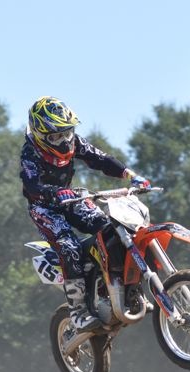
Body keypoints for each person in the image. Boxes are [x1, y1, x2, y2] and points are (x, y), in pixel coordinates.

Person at [20, 96, 151, 332]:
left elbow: (100, 159)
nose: (64, 140)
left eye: (67, 133)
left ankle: (120, 287)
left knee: (110, 227)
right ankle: (78, 311)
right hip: (43, 207)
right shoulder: (30, 153)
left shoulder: (75, 142)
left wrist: (130, 175)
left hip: (71, 197)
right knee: (69, 247)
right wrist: (53, 193)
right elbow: (32, 185)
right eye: (56, 137)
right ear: (40, 135)